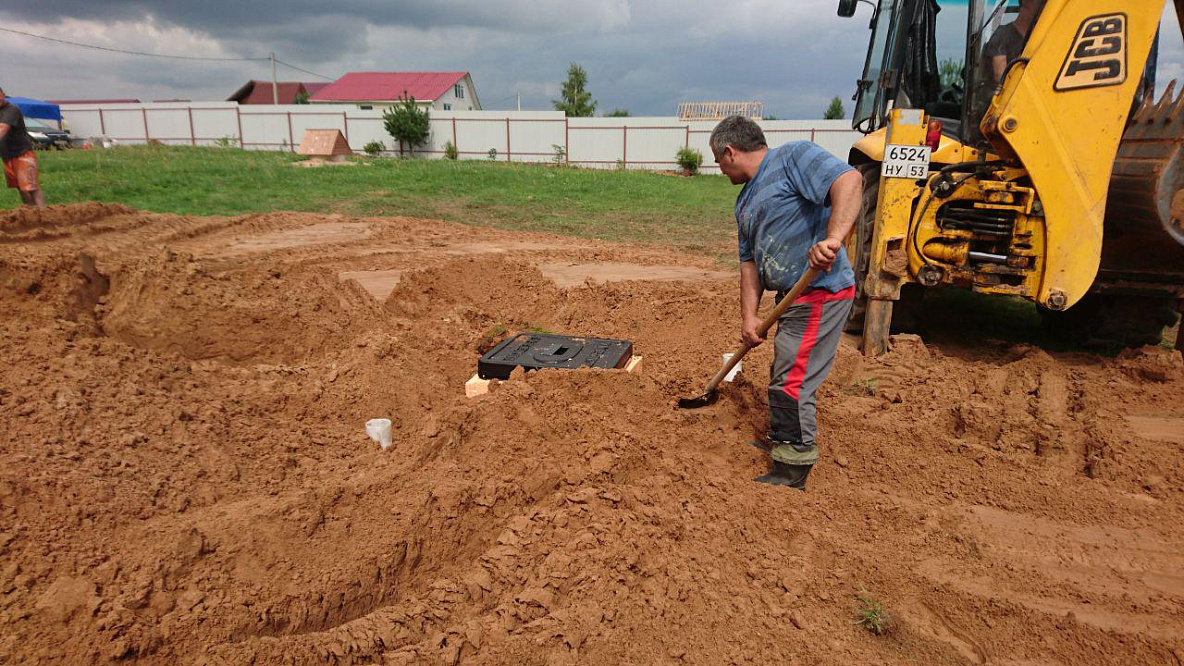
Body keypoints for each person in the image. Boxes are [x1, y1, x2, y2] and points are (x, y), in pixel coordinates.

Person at [710, 116, 862, 490]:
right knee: (784, 371)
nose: (719, 169)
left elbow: (849, 180)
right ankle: (783, 439)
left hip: (820, 290)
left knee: (792, 378)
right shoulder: (743, 203)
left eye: (717, 161)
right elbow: (749, 264)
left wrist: (833, 239)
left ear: (729, 152)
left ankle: (792, 464)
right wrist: (749, 317)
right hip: (790, 299)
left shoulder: (793, 156)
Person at [0, 87, 45, 208]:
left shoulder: (11, 109)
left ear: (3, 94)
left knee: (31, 187)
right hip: (7, 156)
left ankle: (44, 214)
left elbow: (3, 129)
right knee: (21, 189)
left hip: (22, 153)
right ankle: (31, 213)